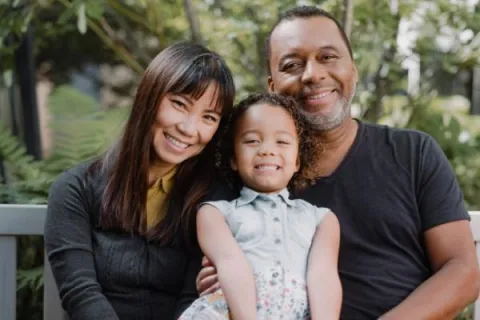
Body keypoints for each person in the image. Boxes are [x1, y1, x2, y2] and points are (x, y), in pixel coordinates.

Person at [196, 6, 480, 320]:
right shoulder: (250, 172)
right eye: (292, 64)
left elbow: (463, 271)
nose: (312, 74)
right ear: (273, 87)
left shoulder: (413, 152)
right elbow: (215, 269)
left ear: (353, 70)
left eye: (328, 57)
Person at [44, 41, 235, 320]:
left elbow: (193, 301)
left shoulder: (212, 201)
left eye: (209, 117)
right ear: (150, 96)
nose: (188, 129)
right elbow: (81, 293)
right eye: (180, 104)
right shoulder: (76, 189)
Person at [179, 92, 341, 320]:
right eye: (252, 141)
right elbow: (230, 264)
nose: (267, 150)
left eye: (282, 142)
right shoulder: (215, 213)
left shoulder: (322, 219)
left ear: (297, 161)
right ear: (233, 158)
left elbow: (323, 277)